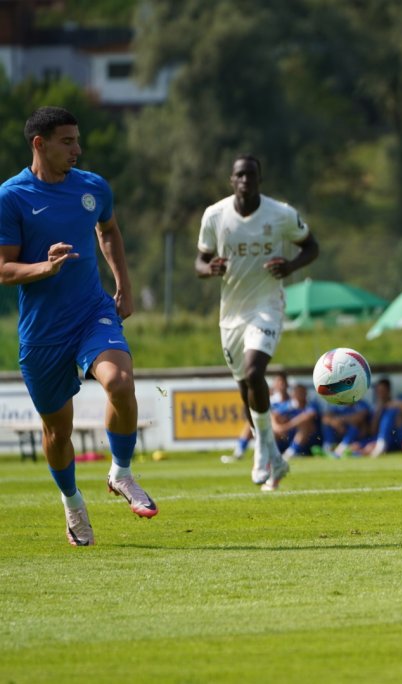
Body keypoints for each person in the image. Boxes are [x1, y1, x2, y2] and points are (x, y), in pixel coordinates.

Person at [0, 106, 157, 546]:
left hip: (93, 312)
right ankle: (72, 504)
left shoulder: (93, 187)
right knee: (58, 432)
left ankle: (121, 473)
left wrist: (123, 285)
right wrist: (42, 269)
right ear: (39, 144)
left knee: (121, 383)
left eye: (77, 140)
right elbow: (3, 269)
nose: (77, 149)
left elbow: (108, 232)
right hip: (43, 332)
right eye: (67, 141)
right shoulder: (11, 197)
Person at [195, 154, 319, 491]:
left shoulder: (280, 213)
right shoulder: (215, 215)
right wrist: (210, 269)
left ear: (259, 180)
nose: (245, 180)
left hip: (267, 306)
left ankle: (263, 449)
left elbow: (311, 247)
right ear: (231, 180)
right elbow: (200, 260)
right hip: (231, 314)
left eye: (251, 174)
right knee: (244, 387)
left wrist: (291, 267)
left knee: (254, 373)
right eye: (239, 175)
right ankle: (274, 457)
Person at [271, 383, 322, 459]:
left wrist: (286, 427)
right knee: (274, 427)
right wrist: (278, 427)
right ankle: (270, 453)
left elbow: (308, 416)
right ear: (293, 394)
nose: (300, 395)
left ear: (305, 393)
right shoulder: (288, 406)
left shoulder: (311, 404)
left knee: (305, 425)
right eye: (298, 392)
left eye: (302, 392)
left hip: (311, 439)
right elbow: (274, 415)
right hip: (288, 436)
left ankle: (291, 453)